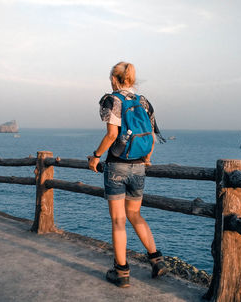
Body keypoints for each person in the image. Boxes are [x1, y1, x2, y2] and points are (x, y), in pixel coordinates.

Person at [88, 62, 167, 288]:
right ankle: (156, 260)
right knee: (135, 214)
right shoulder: (144, 101)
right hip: (139, 167)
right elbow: (150, 137)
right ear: (132, 79)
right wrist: (146, 159)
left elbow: (112, 134)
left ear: (114, 78)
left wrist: (95, 156)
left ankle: (121, 272)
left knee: (118, 220)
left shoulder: (111, 100)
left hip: (117, 167)